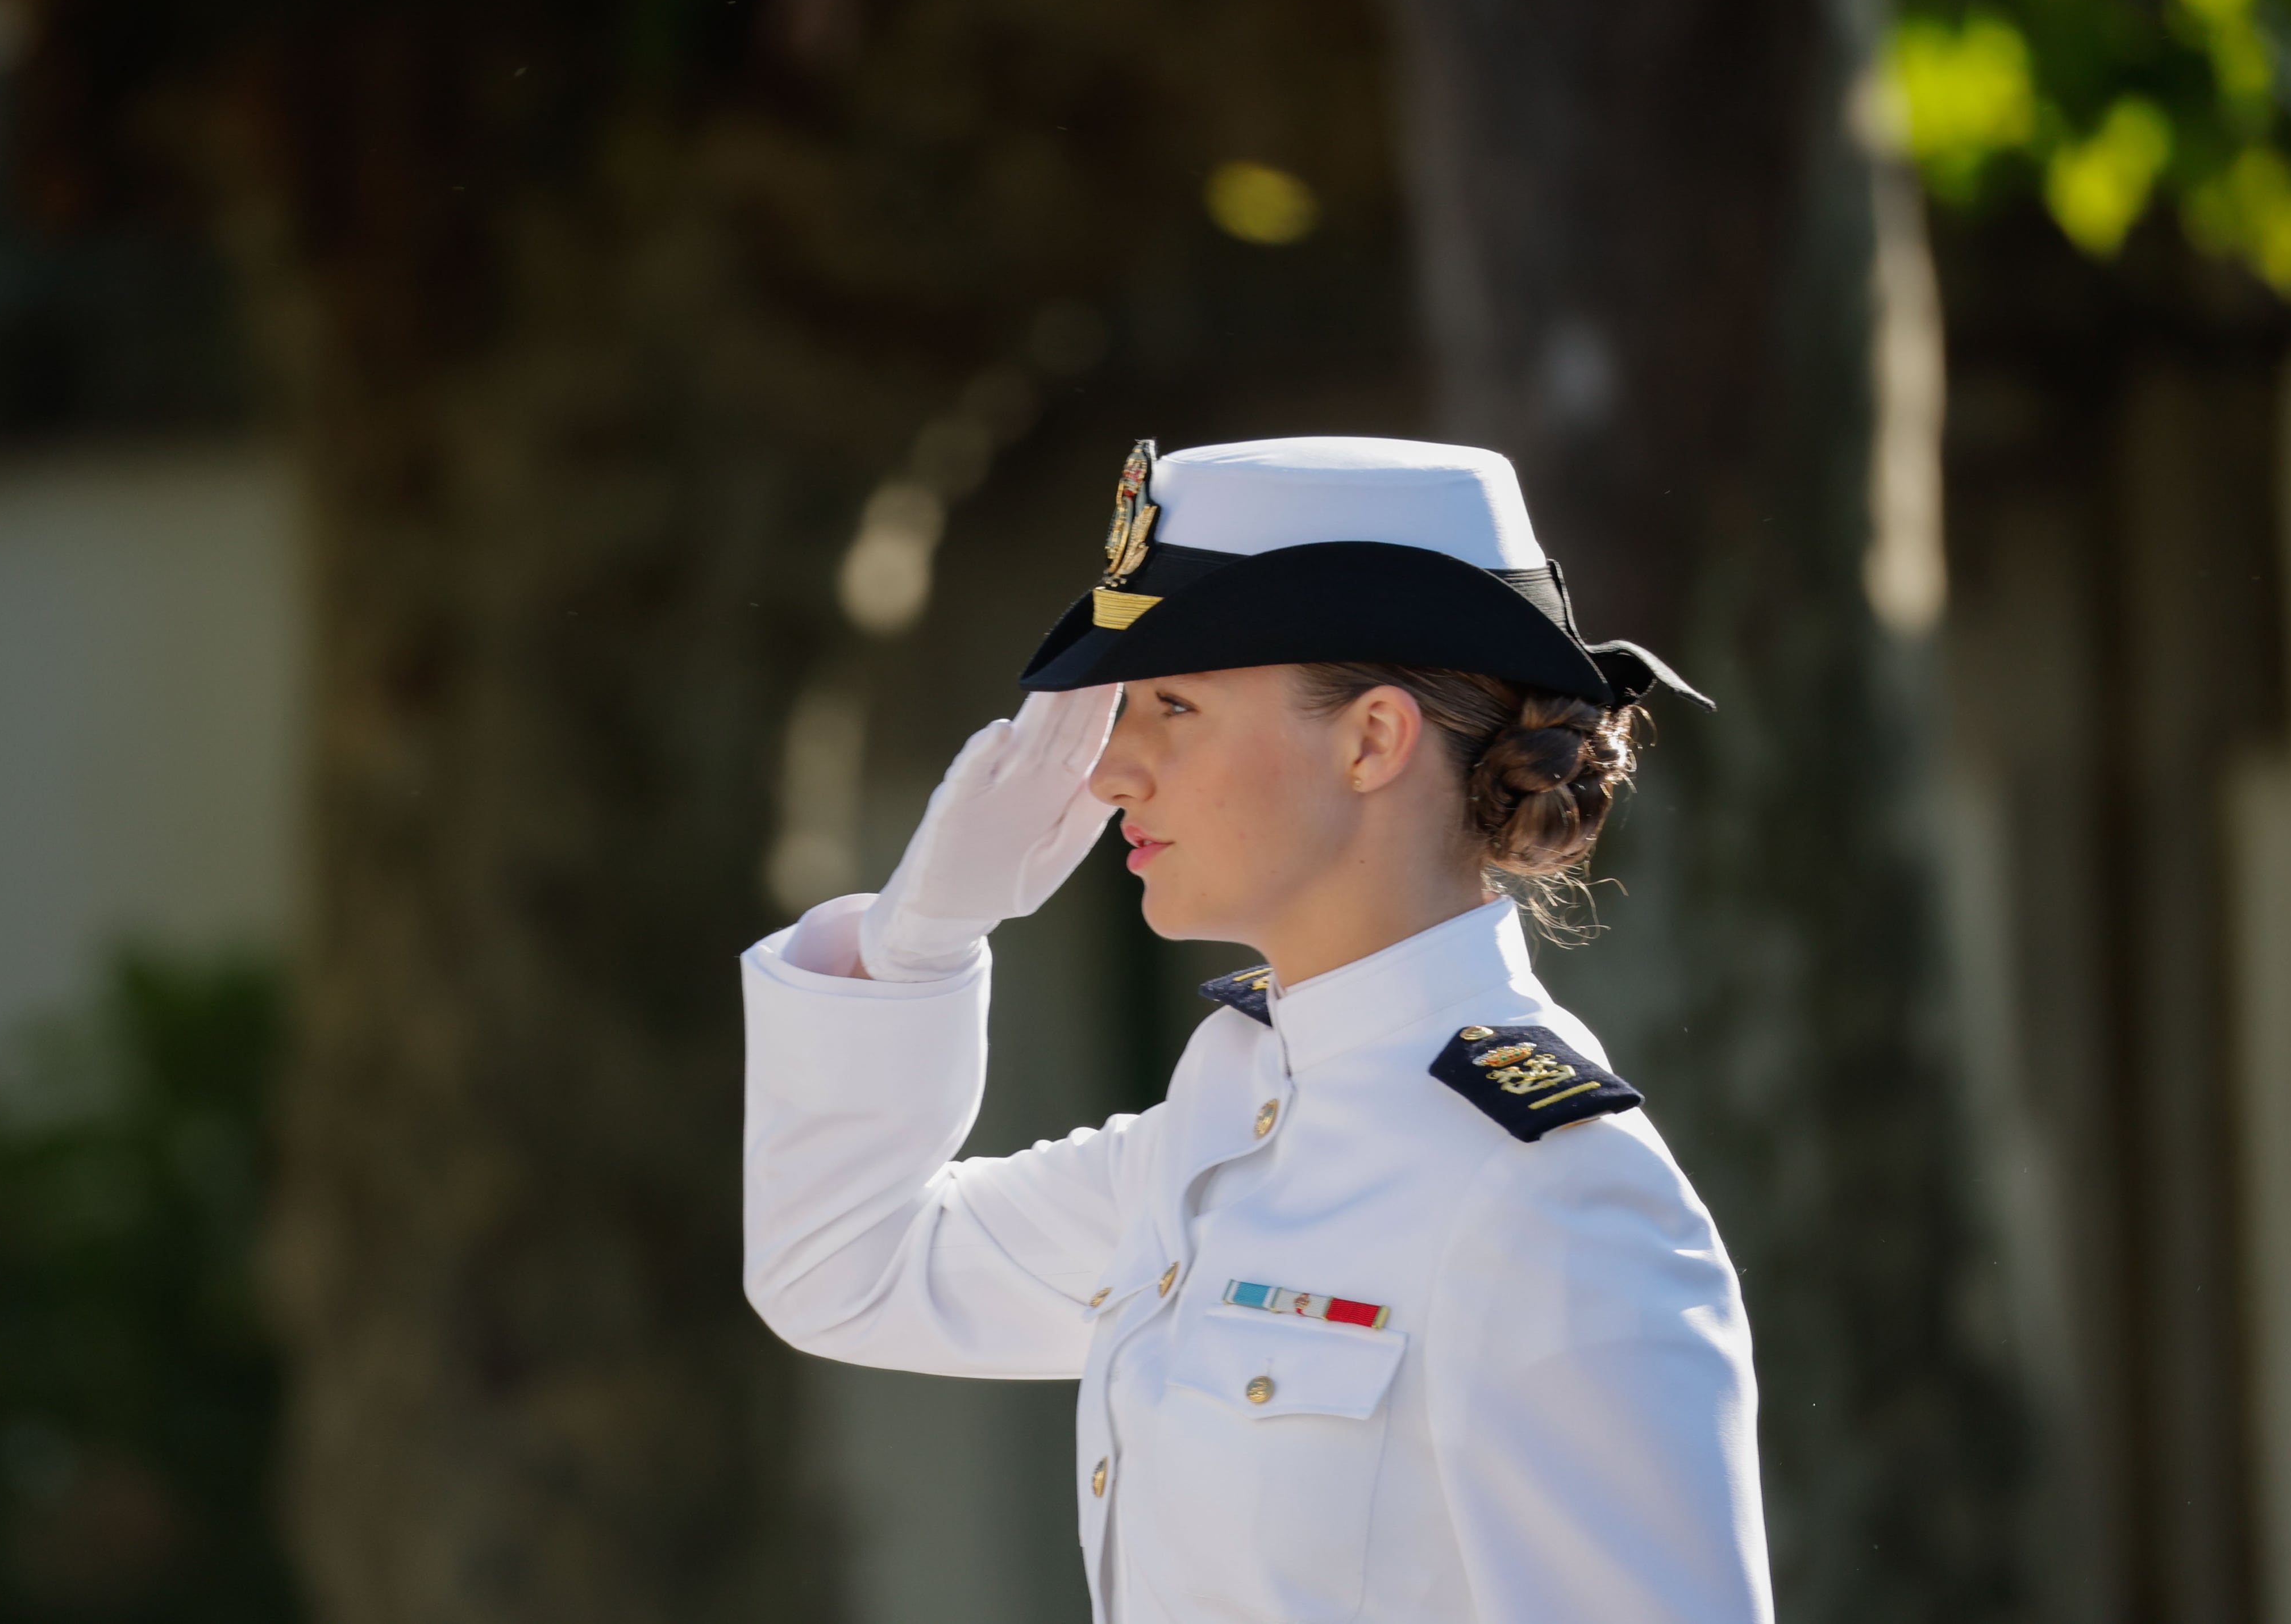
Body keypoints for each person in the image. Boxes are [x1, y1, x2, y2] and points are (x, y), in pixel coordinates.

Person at [740, 436, 1769, 1624]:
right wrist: (919, 939)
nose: (1113, 767)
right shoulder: (1230, 1117)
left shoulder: (1546, 1191)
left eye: (1172, 704)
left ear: (1372, 739)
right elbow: (843, 1271)